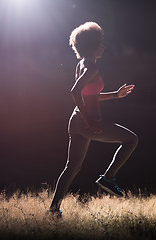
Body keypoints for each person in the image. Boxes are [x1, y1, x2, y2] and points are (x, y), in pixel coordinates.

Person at [49, 22, 138, 217]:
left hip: (75, 122)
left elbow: (89, 95)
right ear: (93, 46)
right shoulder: (91, 67)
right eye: (100, 43)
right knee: (131, 140)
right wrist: (88, 119)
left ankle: (53, 210)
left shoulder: (82, 64)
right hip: (86, 123)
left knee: (72, 167)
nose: (103, 46)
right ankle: (108, 178)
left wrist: (115, 94)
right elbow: (74, 91)